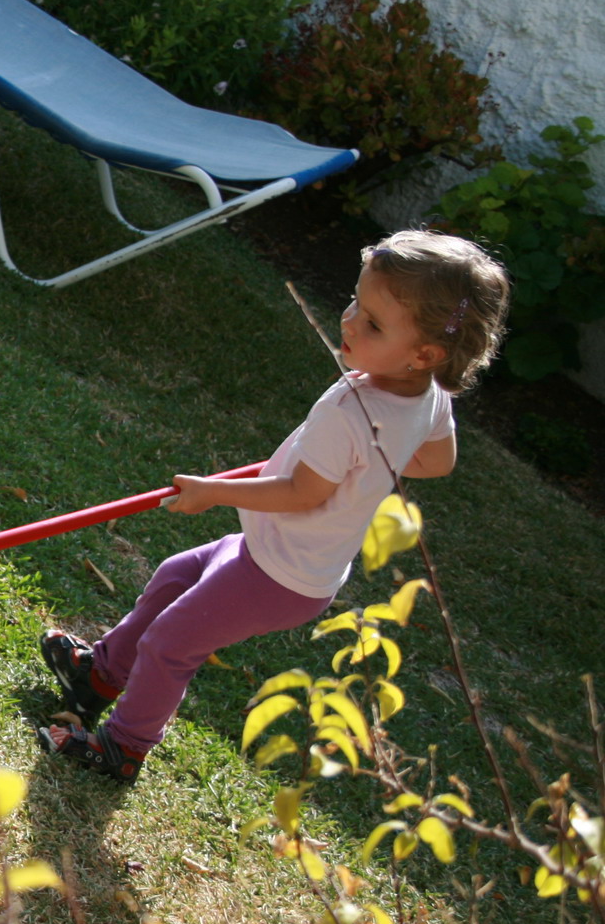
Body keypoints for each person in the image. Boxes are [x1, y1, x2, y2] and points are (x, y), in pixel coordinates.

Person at [37, 229, 510, 784]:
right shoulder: (428, 395)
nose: (351, 321)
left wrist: (214, 491)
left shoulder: (352, 409)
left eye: (375, 323)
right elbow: (437, 461)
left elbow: (300, 494)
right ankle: (100, 676)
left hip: (278, 573)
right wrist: (364, 465)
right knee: (172, 577)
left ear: (424, 354)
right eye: (357, 302)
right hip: (286, 558)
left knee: (172, 642)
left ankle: (124, 747)